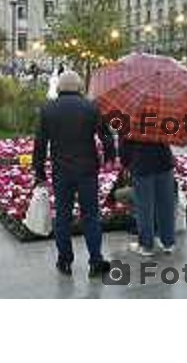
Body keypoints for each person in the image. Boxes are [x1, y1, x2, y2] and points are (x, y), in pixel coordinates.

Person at [33, 71, 115, 277]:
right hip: (87, 169)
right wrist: (109, 158)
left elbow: (40, 143)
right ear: (80, 88)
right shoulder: (91, 107)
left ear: (59, 88)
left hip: (61, 171)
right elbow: (105, 136)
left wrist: (39, 171)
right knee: (91, 216)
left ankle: (65, 260)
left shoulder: (48, 109)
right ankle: (96, 261)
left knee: (62, 217)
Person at [120, 137, 176, 256]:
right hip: (164, 160)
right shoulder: (164, 117)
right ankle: (168, 243)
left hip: (141, 162)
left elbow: (125, 140)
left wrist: (125, 163)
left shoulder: (131, 117)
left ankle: (146, 246)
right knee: (166, 204)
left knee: (144, 207)